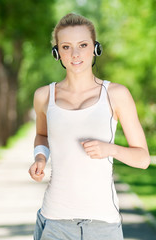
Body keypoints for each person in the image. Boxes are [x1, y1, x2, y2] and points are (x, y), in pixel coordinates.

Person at [28, 13, 150, 240]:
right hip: (54, 220)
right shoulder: (45, 96)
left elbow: (142, 159)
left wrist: (110, 149)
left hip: (102, 223)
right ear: (57, 53)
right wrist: (40, 158)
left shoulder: (116, 94)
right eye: (66, 47)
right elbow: (41, 134)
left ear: (95, 48)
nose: (75, 54)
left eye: (83, 45)